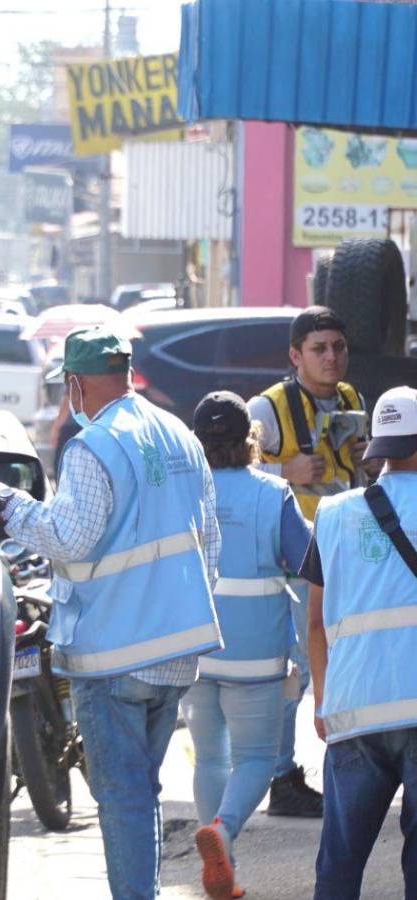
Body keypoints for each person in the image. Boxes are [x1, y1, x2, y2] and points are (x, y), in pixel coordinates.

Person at [0, 325, 222, 900]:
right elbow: (211, 537)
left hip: (115, 655)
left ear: (76, 384)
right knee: (141, 790)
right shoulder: (178, 433)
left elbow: (70, 537)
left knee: (124, 794)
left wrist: (11, 503)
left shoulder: (93, 444)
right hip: (177, 651)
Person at [247, 306, 378, 818]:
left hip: (343, 550)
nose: (331, 357)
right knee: (300, 670)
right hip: (294, 558)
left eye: (338, 348)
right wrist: (287, 466)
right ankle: (283, 776)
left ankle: (348, 764)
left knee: (343, 660)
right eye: (319, 349)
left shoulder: (350, 399)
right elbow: (227, 467)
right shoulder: (268, 408)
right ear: (295, 355)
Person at [182, 392, 312, 900]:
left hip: (194, 647)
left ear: (197, 443)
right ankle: (225, 831)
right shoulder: (272, 493)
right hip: (256, 654)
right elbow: (305, 565)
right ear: (250, 440)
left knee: (209, 758)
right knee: (256, 756)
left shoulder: (184, 494)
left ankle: (224, 870)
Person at [300, 385, 417, 899]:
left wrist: (324, 699)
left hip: (354, 709)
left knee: (341, 862)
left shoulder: (333, 514)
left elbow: (315, 623)